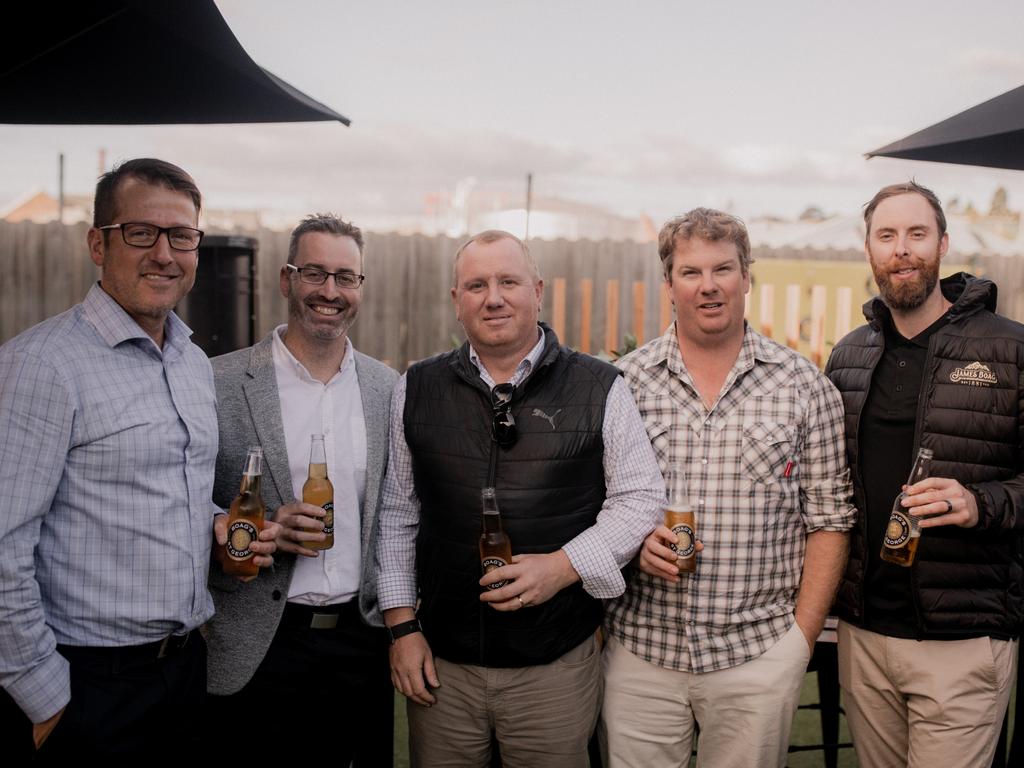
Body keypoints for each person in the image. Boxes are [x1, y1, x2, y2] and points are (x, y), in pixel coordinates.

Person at [0, 158, 276, 756]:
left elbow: (169, 487)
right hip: (88, 682)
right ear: (98, 244)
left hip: (183, 670)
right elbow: (4, 543)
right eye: (141, 233)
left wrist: (216, 522)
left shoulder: (191, 363)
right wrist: (44, 697)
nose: (164, 253)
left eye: (182, 236)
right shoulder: (41, 366)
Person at [376, 229, 664, 767]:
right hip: (444, 666)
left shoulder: (600, 387)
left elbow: (639, 499)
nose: (493, 297)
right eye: (476, 284)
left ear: (538, 289)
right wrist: (402, 629)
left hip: (553, 664)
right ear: (456, 301)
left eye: (508, 281)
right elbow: (398, 516)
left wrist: (561, 567)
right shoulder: (415, 388)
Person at [602, 208, 855, 768]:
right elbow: (596, 507)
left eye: (723, 269)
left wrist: (800, 643)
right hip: (642, 651)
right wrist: (632, 544)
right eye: (690, 272)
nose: (709, 286)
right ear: (669, 284)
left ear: (747, 276)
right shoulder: (625, 384)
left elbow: (830, 520)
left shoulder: (804, 387)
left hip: (757, 653)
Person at [825, 181, 1023, 768]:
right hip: (864, 635)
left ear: (943, 243)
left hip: (962, 637)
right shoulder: (849, 356)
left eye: (917, 233)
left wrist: (980, 502)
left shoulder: (1010, 350)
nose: (902, 249)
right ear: (869, 249)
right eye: (887, 235)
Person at [204, 214, 398, 765]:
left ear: (360, 287)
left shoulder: (389, 389)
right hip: (259, 643)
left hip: (361, 645)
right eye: (314, 273)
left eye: (345, 277)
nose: (330, 292)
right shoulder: (218, 382)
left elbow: (398, 516)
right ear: (287, 279)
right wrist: (250, 525)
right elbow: (184, 498)